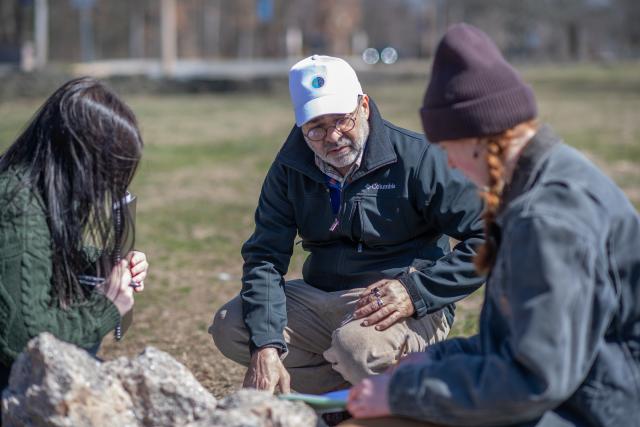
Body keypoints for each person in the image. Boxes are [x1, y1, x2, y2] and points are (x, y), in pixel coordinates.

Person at [344, 23, 640, 427]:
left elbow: (533, 379)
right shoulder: (543, 182)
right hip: (578, 394)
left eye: (448, 148)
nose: (448, 162)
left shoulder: (548, 219)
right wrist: (436, 358)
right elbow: (515, 344)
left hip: (594, 411)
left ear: (480, 137)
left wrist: (401, 393)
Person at [210, 55, 485, 395]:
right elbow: (265, 257)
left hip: (401, 297)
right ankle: (345, 402)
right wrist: (266, 344)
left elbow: (489, 237)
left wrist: (416, 292)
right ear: (300, 127)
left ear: (364, 106)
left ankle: (424, 395)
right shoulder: (288, 169)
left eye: (342, 120)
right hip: (320, 295)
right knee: (233, 326)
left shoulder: (419, 158)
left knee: (357, 347)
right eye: (316, 128)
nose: (333, 136)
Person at [0, 77, 149, 392]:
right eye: (107, 175)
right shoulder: (19, 209)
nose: (106, 190)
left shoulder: (27, 186)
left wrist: (102, 263)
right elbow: (24, 340)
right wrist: (105, 307)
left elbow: (41, 259)